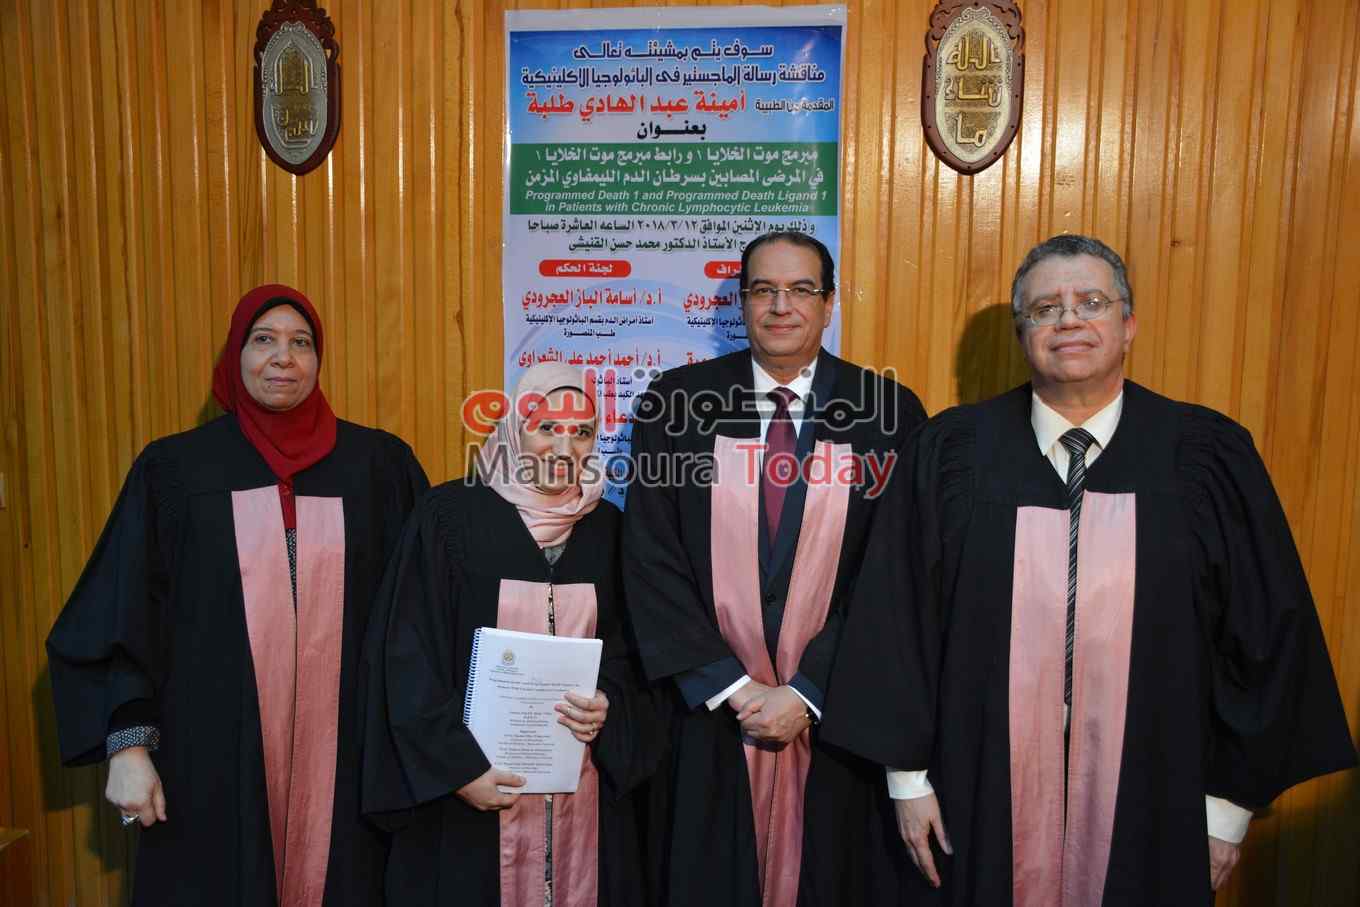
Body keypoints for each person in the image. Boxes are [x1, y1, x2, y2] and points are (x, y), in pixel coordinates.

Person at [823, 234, 1358, 906]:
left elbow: (1263, 628)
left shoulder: (1205, 457)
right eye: (1045, 308)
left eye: (1091, 303)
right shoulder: (952, 453)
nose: (1068, 320)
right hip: (979, 785)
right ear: (1023, 335)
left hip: (1156, 788)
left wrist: (1229, 807)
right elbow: (897, 617)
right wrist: (907, 781)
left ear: (1128, 325)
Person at [46, 285, 429, 906]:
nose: (283, 357)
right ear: (235, 355)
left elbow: (424, 614)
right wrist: (128, 746)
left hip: (351, 766)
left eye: (301, 343)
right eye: (263, 340)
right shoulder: (175, 471)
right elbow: (123, 611)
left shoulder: (379, 467)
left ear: (318, 359)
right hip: (211, 758)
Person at [623, 230, 927, 906]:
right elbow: (650, 558)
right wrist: (732, 687)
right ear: (742, 303)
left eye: (800, 290)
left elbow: (893, 572)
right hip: (709, 717)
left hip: (838, 717)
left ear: (829, 302)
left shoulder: (887, 413)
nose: (781, 306)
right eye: (763, 290)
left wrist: (808, 689)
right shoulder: (676, 404)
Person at [361, 362, 660, 906]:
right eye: (547, 427)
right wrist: (457, 769)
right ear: (515, 429)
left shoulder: (611, 530)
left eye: (582, 432)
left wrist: (609, 702)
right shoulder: (448, 518)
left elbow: (636, 653)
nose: (564, 447)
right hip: (468, 796)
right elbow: (408, 655)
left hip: (583, 791)